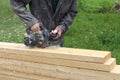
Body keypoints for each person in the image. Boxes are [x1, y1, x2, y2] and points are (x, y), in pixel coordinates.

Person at [10, 0, 78, 47]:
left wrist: (62, 27)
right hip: (36, 38)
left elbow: (72, 11)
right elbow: (16, 3)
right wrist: (31, 21)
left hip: (57, 41)